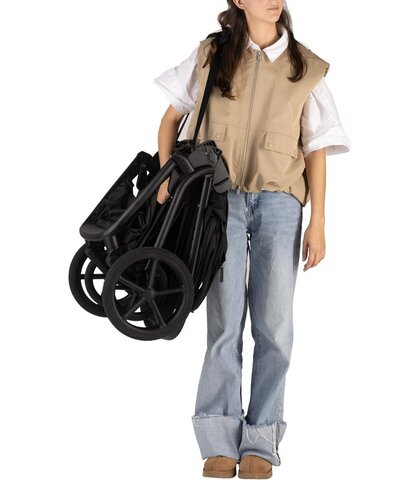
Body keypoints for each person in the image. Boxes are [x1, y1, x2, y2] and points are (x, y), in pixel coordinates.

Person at [153, 0, 351, 479]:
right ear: (238, 1)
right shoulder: (211, 54)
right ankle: (218, 439)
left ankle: (261, 438)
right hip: (216, 202)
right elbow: (171, 117)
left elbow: (316, 148)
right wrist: (165, 176)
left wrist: (319, 220)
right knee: (224, 322)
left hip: (281, 203)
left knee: (275, 326)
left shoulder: (306, 67)